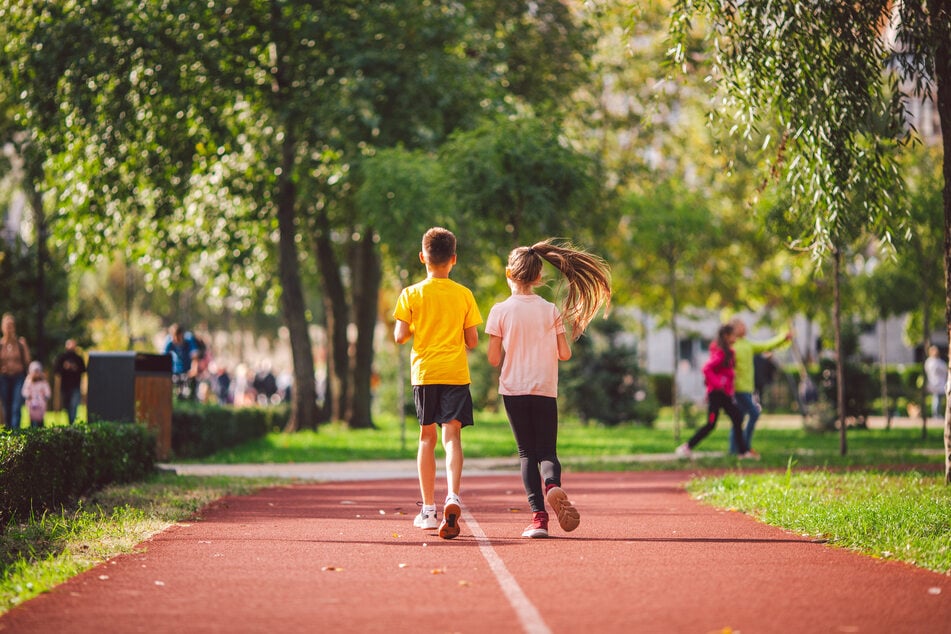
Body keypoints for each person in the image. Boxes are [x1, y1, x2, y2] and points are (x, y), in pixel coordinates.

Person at [485, 240, 611, 538]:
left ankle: (539, 518)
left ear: (508, 273)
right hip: (544, 387)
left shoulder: (500, 310)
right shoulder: (550, 309)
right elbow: (564, 354)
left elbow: (492, 359)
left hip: (513, 389)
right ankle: (553, 485)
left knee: (526, 452)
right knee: (546, 451)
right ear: (539, 277)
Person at [393, 227, 482, 540]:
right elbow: (472, 341)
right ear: (453, 259)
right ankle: (453, 496)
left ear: (422, 258)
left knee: (426, 437)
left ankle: (428, 511)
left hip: (425, 374)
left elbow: (400, 336)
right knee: (452, 436)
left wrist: (418, 322)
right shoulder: (464, 294)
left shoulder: (411, 294)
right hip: (455, 373)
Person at [676, 324, 758, 459]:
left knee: (737, 418)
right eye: (733, 335)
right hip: (716, 394)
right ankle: (686, 447)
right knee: (711, 424)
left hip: (724, 395)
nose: (735, 338)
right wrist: (718, 383)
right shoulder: (721, 353)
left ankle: (743, 452)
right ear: (726, 336)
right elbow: (706, 368)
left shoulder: (729, 353)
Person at [727, 318, 791, 454]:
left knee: (738, 419)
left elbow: (766, 345)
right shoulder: (732, 346)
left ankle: (735, 449)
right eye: (741, 325)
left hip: (747, 388)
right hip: (738, 388)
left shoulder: (748, 344)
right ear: (734, 329)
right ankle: (745, 446)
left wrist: (783, 338)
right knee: (754, 414)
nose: (745, 327)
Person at [0, 313, 31, 430]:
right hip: (4, 378)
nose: (9, 328)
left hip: (18, 377)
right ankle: (9, 432)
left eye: (11, 325)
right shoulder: (1, 345)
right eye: (7, 325)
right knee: (6, 407)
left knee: (16, 406)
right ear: (2, 327)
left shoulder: (20, 343)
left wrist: (25, 346)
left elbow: (27, 361)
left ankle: (16, 431)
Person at [54, 339, 87, 424]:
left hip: (75, 386)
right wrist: (65, 367)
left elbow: (83, 370)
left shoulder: (79, 359)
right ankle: (70, 421)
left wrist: (75, 368)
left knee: (74, 405)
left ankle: (72, 422)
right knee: (67, 405)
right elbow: (57, 371)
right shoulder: (62, 358)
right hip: (65, 387)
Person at [163, 324, 199, 399]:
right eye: (173, 337)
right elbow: (163, 358)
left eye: (177, 337)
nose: (175, 340)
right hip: (175, 370)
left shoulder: (189, 339)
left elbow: (195, 357)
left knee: (189, 390)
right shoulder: (169, 341)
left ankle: (191, 400)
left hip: (187, 370)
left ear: (181, 335)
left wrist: (193, 370)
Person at [21, 361, 51, 429]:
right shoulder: (28, 381)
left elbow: (47, 391)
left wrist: (45, 396)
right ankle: (32, 431)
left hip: (41, 405)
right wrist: (28, 395)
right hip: (31, 405)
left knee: (40, 420)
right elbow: (24, 391)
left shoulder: (43, 382)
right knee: (32, 420)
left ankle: (41, 430)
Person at [924, 344, 948, 420]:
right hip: (935, 383)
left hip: (939, 383)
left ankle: (937, 414)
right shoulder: (932, 362)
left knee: (938, 399)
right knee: (937, 399)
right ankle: (936, 415)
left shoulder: (934, 361)